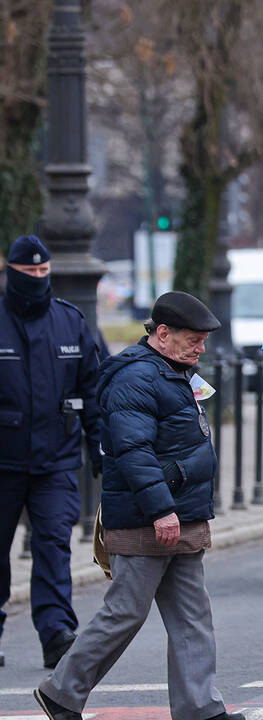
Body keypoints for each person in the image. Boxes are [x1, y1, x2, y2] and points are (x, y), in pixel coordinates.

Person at [34, 291, 243, 720]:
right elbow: (132, 451)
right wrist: (161, 509)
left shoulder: (173, 371)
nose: (201, 349)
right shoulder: (136, 378)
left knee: (192, 618)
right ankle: (61, 693)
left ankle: (200, 708)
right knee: (125, 613)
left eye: (203, 341)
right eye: (194, 340)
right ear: (163, 334)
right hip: (150, 520)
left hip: (178, 517)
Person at [0, 235, 101, 670]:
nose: (39, 279)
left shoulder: (70, 322)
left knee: (55, 545)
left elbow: (94, 392)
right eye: (30, 273)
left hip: (56, 461)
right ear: (11, 273)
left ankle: (57, 632)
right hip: (2, 462)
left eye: (45, 272)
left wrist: (102, 451)